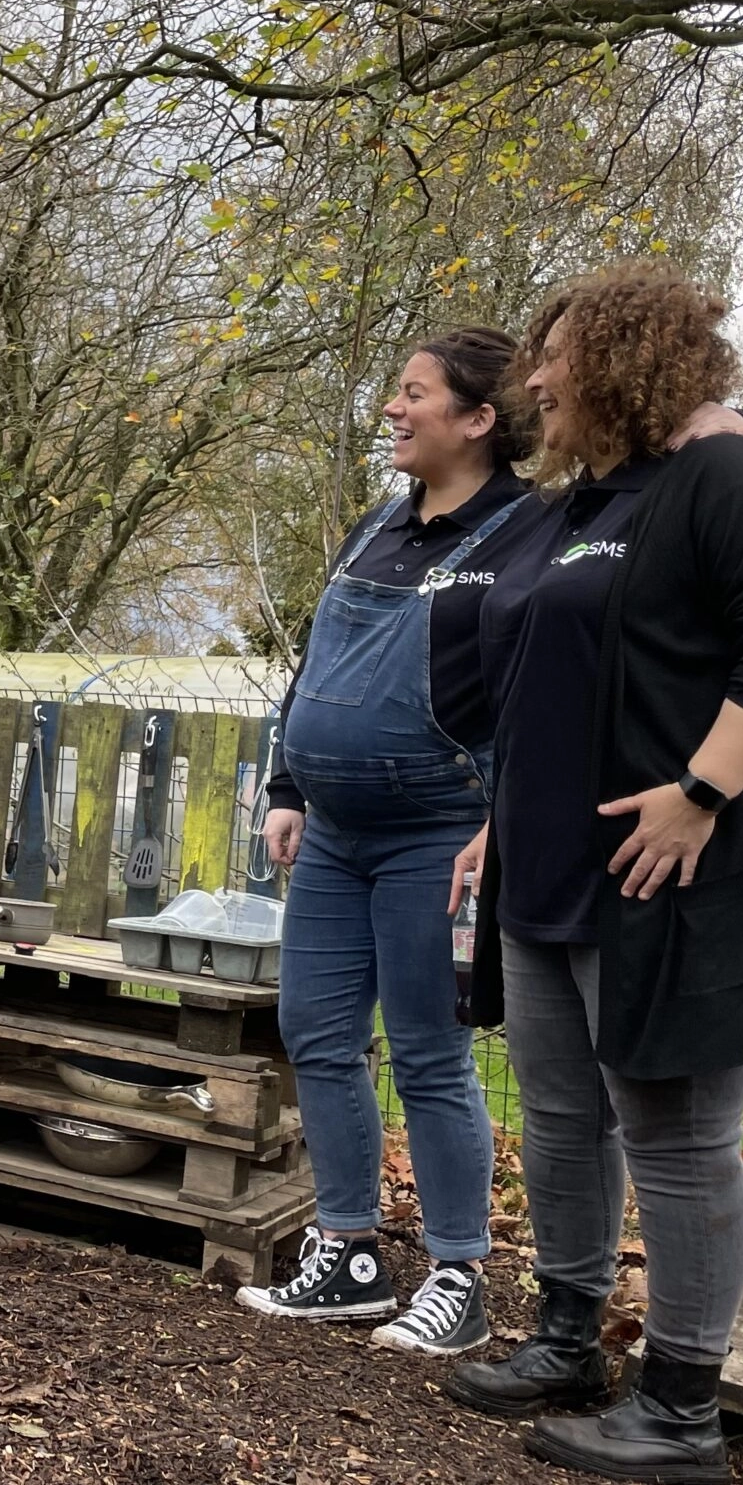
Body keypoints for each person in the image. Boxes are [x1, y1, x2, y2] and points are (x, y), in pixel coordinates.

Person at [445, 264, 743, 1485]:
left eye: (553, 355)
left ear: (620, 357)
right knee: (564, 1118)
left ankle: (677, 1402)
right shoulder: (576, 506)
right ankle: (567, 1337)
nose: (534, 379)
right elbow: (521, 680)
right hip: (551, 867)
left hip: (672, 868)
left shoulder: (722, 476)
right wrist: (494, 819)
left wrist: (702, 791)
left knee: (676, 1137)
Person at [242, 330, 531, 1353]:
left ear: (478, 417)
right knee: (316, 1032)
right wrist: (287, 781)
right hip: (333, 831)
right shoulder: (377, 522)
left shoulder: (521, 533)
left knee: (427, 1053)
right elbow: (318, 658)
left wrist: (505, 821)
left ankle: (457, 1272)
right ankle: (349, 1248)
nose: (393, 410)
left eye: (413, 394)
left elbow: (540, 693)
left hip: (438, 833)